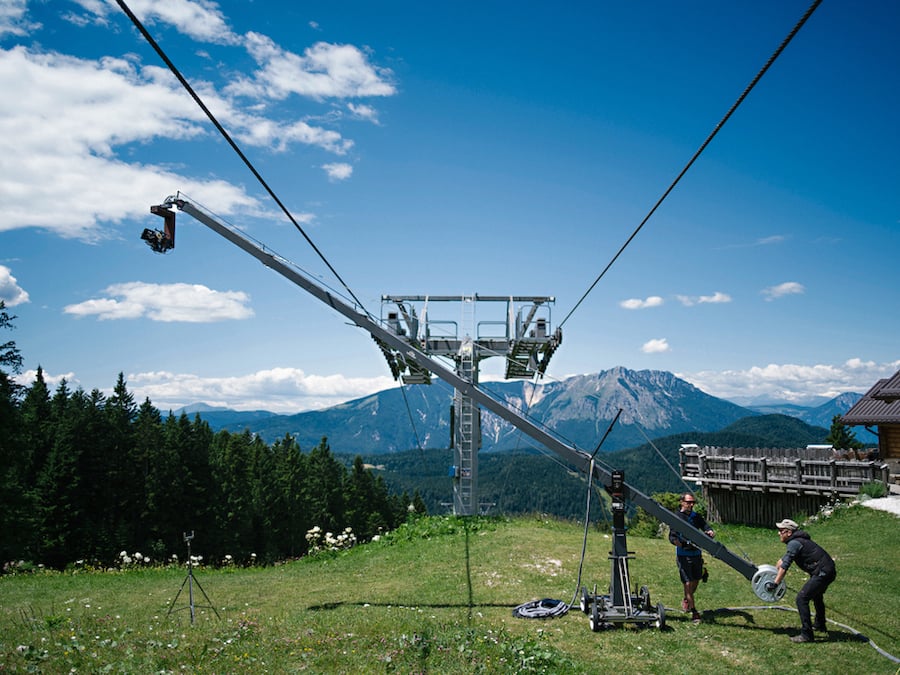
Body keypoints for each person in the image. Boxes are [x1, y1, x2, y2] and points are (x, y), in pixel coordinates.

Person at [766, 519, 836, 643]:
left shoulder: (794, 543)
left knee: (801, 599)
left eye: (781, 531)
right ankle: (820, 625)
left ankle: (807, 635)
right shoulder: (796, 542)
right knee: (816, 596)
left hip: (823, 573)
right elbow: (782, 562)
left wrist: (775, 583)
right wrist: (775, 570)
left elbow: (785, 566)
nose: (778, 533)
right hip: (827, 570)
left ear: (788, 532)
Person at [668, 493, 714, 623]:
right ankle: (694, 612)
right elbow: (672, 536)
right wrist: (677, 542)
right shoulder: (677, 517)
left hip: (696, 554)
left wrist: (709, 531)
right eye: (688, 502)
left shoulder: (695, 516)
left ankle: (687, 599)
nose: (691, 505)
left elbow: (705, 526)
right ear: (682, 502)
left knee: (696, 580)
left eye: (693, 502)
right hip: (683, 554)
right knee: (688, 583)